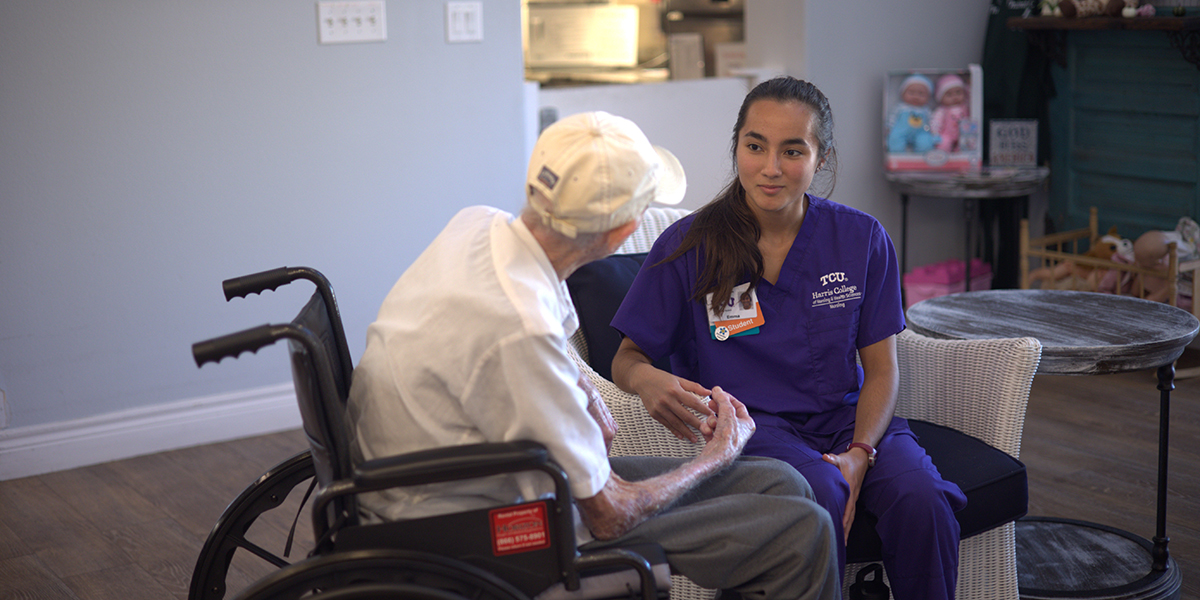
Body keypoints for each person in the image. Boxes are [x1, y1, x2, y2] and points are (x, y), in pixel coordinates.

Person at [346, 110, 840, 600]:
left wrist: (581, 391)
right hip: (471, 525)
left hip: (457, 476)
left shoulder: (477, 225)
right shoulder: (519, 332)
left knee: (780, 482)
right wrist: (714, 457)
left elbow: (539, 330)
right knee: (802, 532)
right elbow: (608, 515)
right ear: (624, 232)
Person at [610, 78, 968, 600]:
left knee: (922, 497)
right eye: (755, 146)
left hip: (849, 419)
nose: (771, 167)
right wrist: (646, 381)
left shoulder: (862, 239)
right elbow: (627, 357)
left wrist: (862, 451)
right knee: (815, 491)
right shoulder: (691, 245)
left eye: (792, 150)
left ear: (821, 159)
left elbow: (882, 369)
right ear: (737, 146)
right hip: (756, 427)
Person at [886, 74, 939, 153]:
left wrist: (934, 131)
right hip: (901, 131)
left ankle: (921, 157)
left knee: (925, 141)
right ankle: (897, 154)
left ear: (928, 98)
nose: (916, 97)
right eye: (911, 93)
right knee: (895, 138)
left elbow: (932, 121)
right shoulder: (901, 107)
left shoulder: (926, 110)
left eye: (921, 94)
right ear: (902, 94)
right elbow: (893, 117)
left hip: (921, 132)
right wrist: (889, 127)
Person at [931, 73, 969, 153]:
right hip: (947, 134)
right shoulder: (942, 110)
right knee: (944, 143)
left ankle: (960, 158)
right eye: (949, 95)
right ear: (941, 98)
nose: (955, 97)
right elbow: (936, 122)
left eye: (958, 92)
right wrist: (935, 133)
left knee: (966, 143)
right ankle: (943, 158)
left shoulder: (965, 107)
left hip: (963, 134)